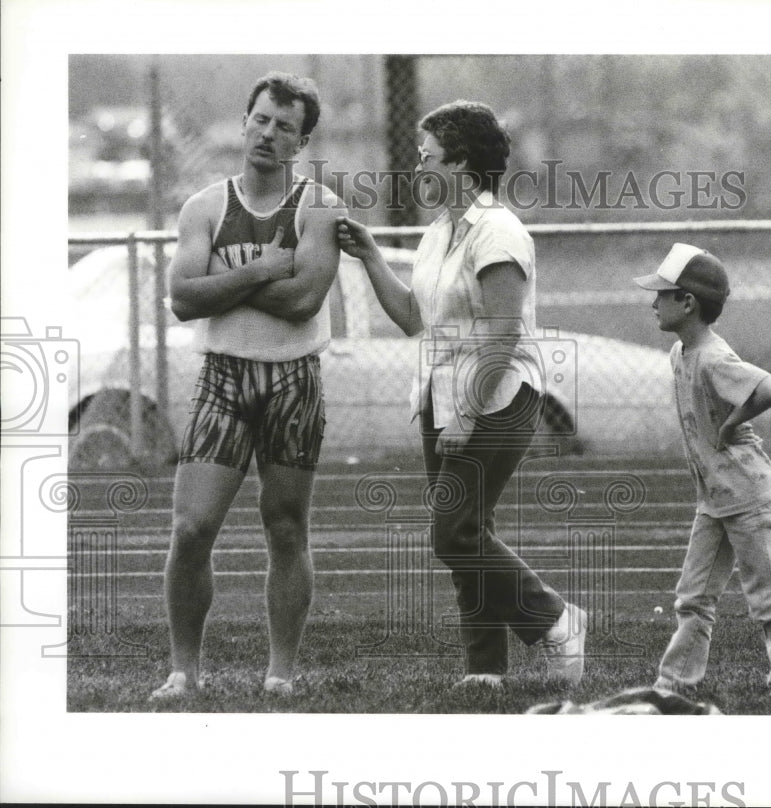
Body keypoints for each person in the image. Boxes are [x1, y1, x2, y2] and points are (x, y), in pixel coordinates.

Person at [335, 100, 587, 687]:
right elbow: (411, 318)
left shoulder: (498, 231)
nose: (418, 165)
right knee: (472, 527)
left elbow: (503, 334)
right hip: (442, 394)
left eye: (427, 156)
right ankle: (485, 670)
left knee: (453, 533)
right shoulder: (439, 232)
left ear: (462, 163)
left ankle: (553, 617)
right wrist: (371, 256)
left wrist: (467, 415)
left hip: (498, 396)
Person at [150, 72, 345, 700]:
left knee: (285, 528)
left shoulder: (319, 207)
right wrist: (262, 268)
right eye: (260, 119)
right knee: (191, 527)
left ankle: (280, 672)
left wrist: (224, 283)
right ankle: (183, 669)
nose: (268, 133)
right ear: (243, 122)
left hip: (294, 379)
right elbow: (182, 297)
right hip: (223, 377)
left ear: (301, 140)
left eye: (284, 126)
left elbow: (305, 298)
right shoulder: (204, 206)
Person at [632, 243, 771, 698]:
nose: (654, 302)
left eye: (663, 294)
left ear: (687, 303)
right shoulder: (680, 353)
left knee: (766, 596)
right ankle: (673, 683)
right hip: (714, 499)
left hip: (748, 495)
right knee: (692, 597)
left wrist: (733, 422)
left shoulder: (712, 357)